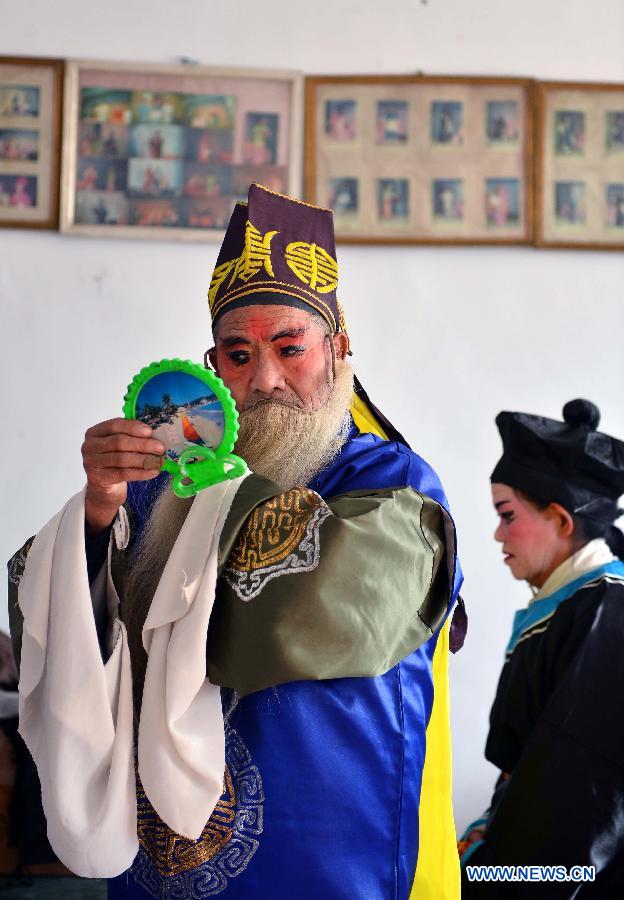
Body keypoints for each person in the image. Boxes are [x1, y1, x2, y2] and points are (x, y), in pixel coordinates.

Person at [8, 183, 463, 899]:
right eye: (239, 355)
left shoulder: (389, 481)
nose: (266, 380)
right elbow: (62, 620)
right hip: (161, 864)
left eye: (290, 348)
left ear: (338, 349)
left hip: (326, 863)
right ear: (213, 366)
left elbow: (316, 617)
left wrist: (210, 504)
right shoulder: (162, 484)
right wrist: (97, 511)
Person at [460, 399, 624, 896]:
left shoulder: (606, 611)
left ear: (560, 519)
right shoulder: (572, 602)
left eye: (507, 515)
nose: (497, 533)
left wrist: (498, 875)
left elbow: (579, 794)